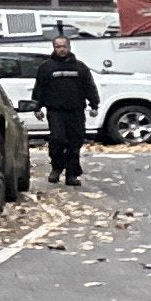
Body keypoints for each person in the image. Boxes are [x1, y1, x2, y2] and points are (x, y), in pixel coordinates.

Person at [31, 28, 99, 187]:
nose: (61, 49)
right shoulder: (46, 67)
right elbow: (39, 88)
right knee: (57, 139)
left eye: (63, 46)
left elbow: (89, 86)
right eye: (57, 47)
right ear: (53, 48)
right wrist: (37, 107)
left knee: (75, 143)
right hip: (56, 112)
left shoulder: (80, 67)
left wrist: (94, 104)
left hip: (76, 111)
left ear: (69, 47)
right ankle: (56, 167)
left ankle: (71, 174)